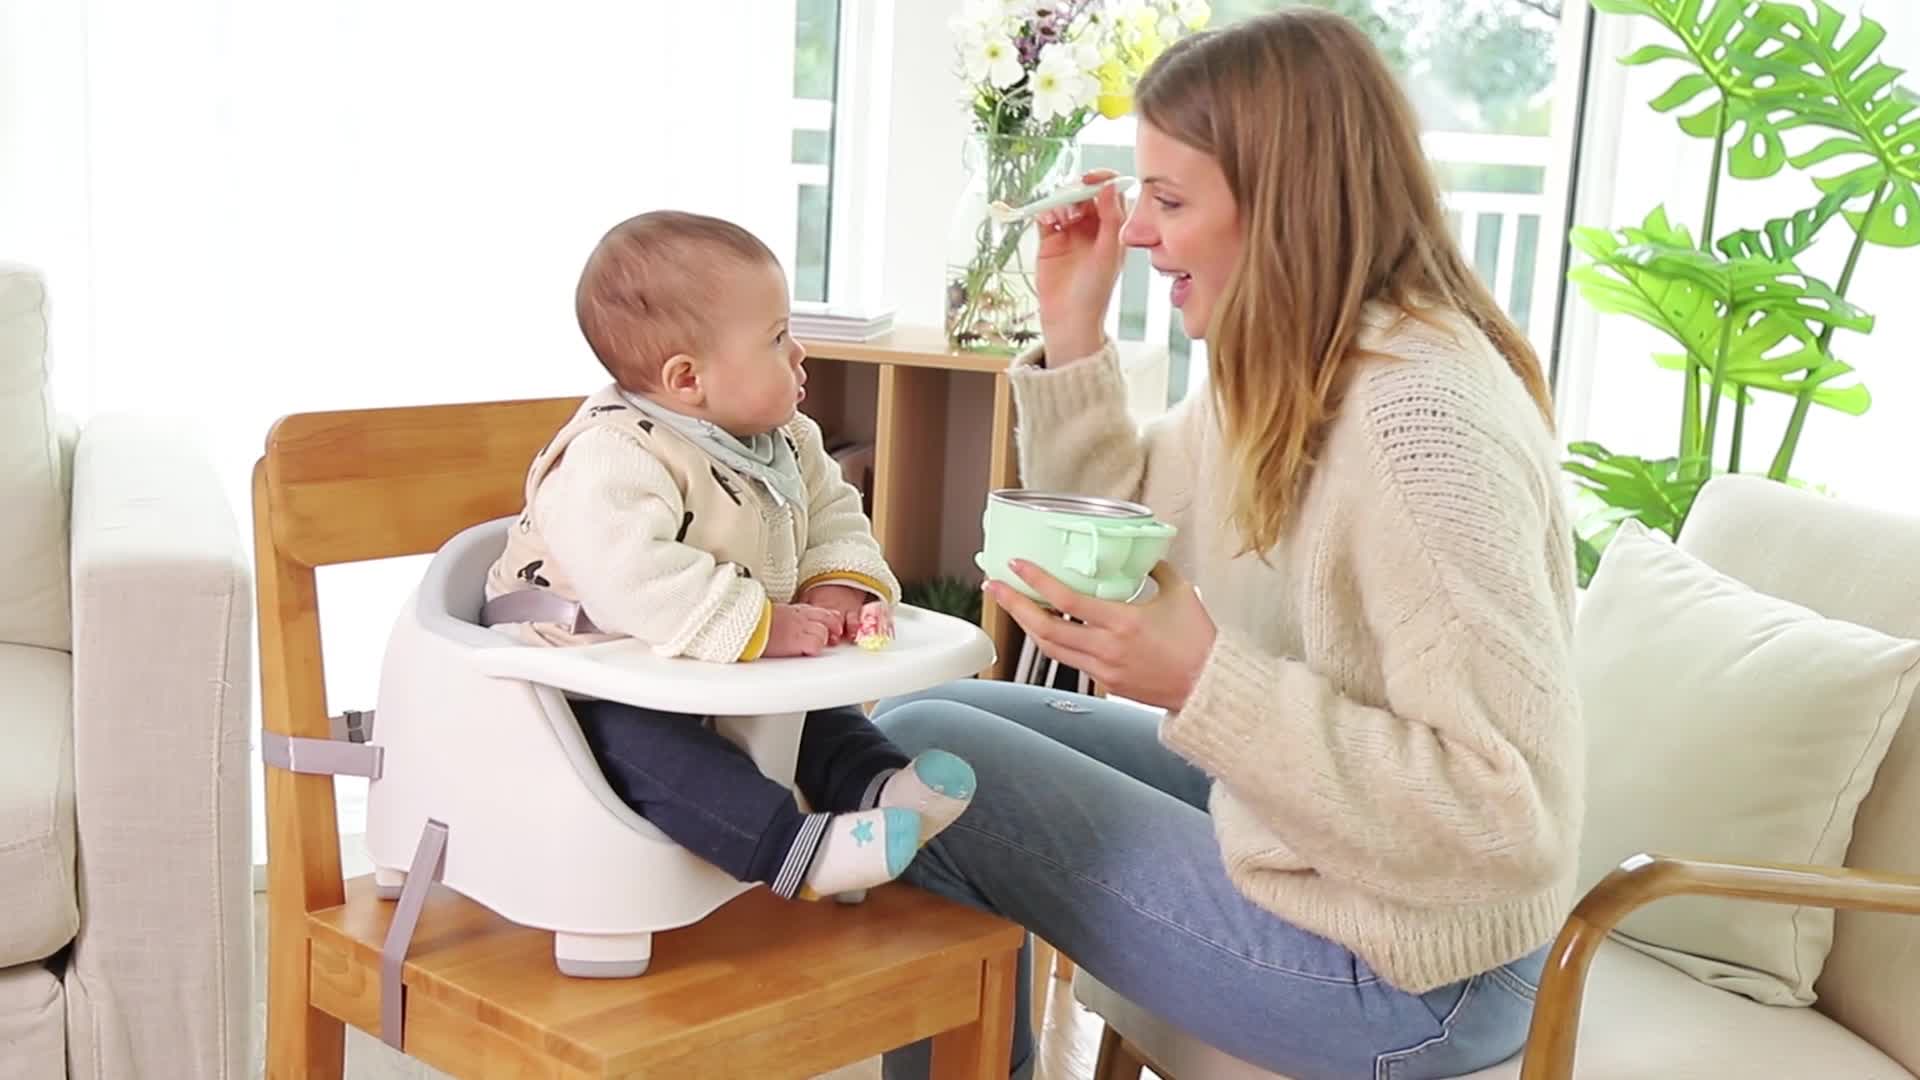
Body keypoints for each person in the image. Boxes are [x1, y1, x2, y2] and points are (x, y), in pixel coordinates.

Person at [873, 10, 1580, 1079]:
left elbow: (1503, 819)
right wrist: (1073, 329)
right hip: (1326, 854)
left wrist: (1204, 677)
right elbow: (1126, 525)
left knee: (937, 755)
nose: (1142, 231)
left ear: (1284, 200)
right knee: (916, 727)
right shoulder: (1294, 365)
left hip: (1419, 971)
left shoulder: (1420, 427)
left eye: (1169, 199)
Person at [486, 210, 977, 903]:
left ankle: (876, 787)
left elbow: (834, 513)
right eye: (778, 339)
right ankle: (797, 854)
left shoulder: (786, 439)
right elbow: (633, 577)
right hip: (585, 679)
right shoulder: (612, 456)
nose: (800, 354)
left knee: (813, 710)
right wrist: (761, 622)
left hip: (701, 664)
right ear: (687, 379)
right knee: (664, 758)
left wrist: (839, 583)